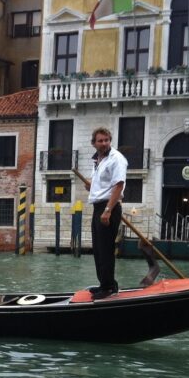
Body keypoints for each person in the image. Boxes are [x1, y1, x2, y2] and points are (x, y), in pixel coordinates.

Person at [81, 126, 127, 299]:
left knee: (106, 249)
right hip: (98, 207)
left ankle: (108, 288)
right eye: (100, 140)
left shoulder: (117, 159)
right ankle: (105, 283)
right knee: (98, 249)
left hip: (109, 207)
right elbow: (101, 184)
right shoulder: (98, 160)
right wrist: (90, 185)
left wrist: (108, 210)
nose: (104, 143)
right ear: (94, 143)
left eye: (106, 140)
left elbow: (118, 185)